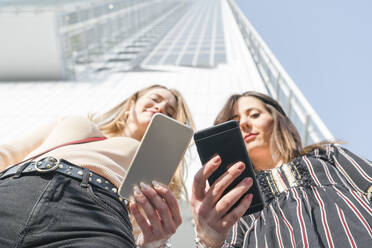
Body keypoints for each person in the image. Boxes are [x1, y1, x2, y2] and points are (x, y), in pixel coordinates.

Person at [0, 84, 195, 248]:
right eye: (155, 98)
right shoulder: (76, 122)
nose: (159, 107)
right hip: (18, 186)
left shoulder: (154, 165)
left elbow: (139, 229)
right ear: (131, 104)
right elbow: (9, 153)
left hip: (96, 215)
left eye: (169, 112)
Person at [191, 91, 372, 248]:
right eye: (235, 122)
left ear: (278, 120)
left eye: (254, 115)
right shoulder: (238, 200)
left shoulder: (326, 156)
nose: (244, 124)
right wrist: (208, 241)